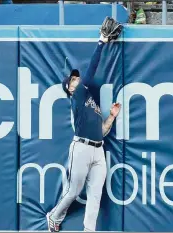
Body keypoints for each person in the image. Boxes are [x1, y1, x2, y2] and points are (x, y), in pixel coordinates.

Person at [46, 33, 121, 232]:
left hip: (98, 150)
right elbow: (91, 70)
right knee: (73, 191)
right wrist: (101, 43)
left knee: (95, 195)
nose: (77, 80)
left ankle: (89, 230)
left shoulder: (91, 102)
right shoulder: (78, 96)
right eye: (73, 80)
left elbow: (102, 132)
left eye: (76, 78)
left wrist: (112, 116)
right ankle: (54, 215)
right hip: (81, 148)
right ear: (70, 89)